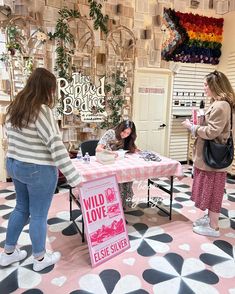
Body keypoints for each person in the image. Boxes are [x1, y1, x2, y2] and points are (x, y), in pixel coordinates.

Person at [0, 68, 82, 271]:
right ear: (48, 89)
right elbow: (56, 146)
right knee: (38, 215)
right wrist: (75, 178)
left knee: (20, 208)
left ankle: (8, 253)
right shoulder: (41, 111)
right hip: (38, 169)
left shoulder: (13, 108)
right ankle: (39, 259)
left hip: (15, 164)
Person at [182, 70, 235, 237]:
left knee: (213, 192)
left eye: (206, 84)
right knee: (210, 190)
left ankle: (213, 226)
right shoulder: (219, 103)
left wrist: (192, 127)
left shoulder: (221, 105)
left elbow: (212, 132)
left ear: (215, 86)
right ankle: (210, 219)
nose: (204, 87)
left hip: (213, 158)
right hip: (209, 157)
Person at [96, 120, 138, 208]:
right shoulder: (111, 133)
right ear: (120, 128)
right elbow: (98, 149)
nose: (125, 135)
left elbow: (130, 149)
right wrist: (112, 153)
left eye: (128, 133)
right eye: (124, 131)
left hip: (120, 163)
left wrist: (136, 149)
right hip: (108, 162)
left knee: (128, 175)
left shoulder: (127, 137)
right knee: (118, 181)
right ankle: (114, 205)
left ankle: (124, 204)